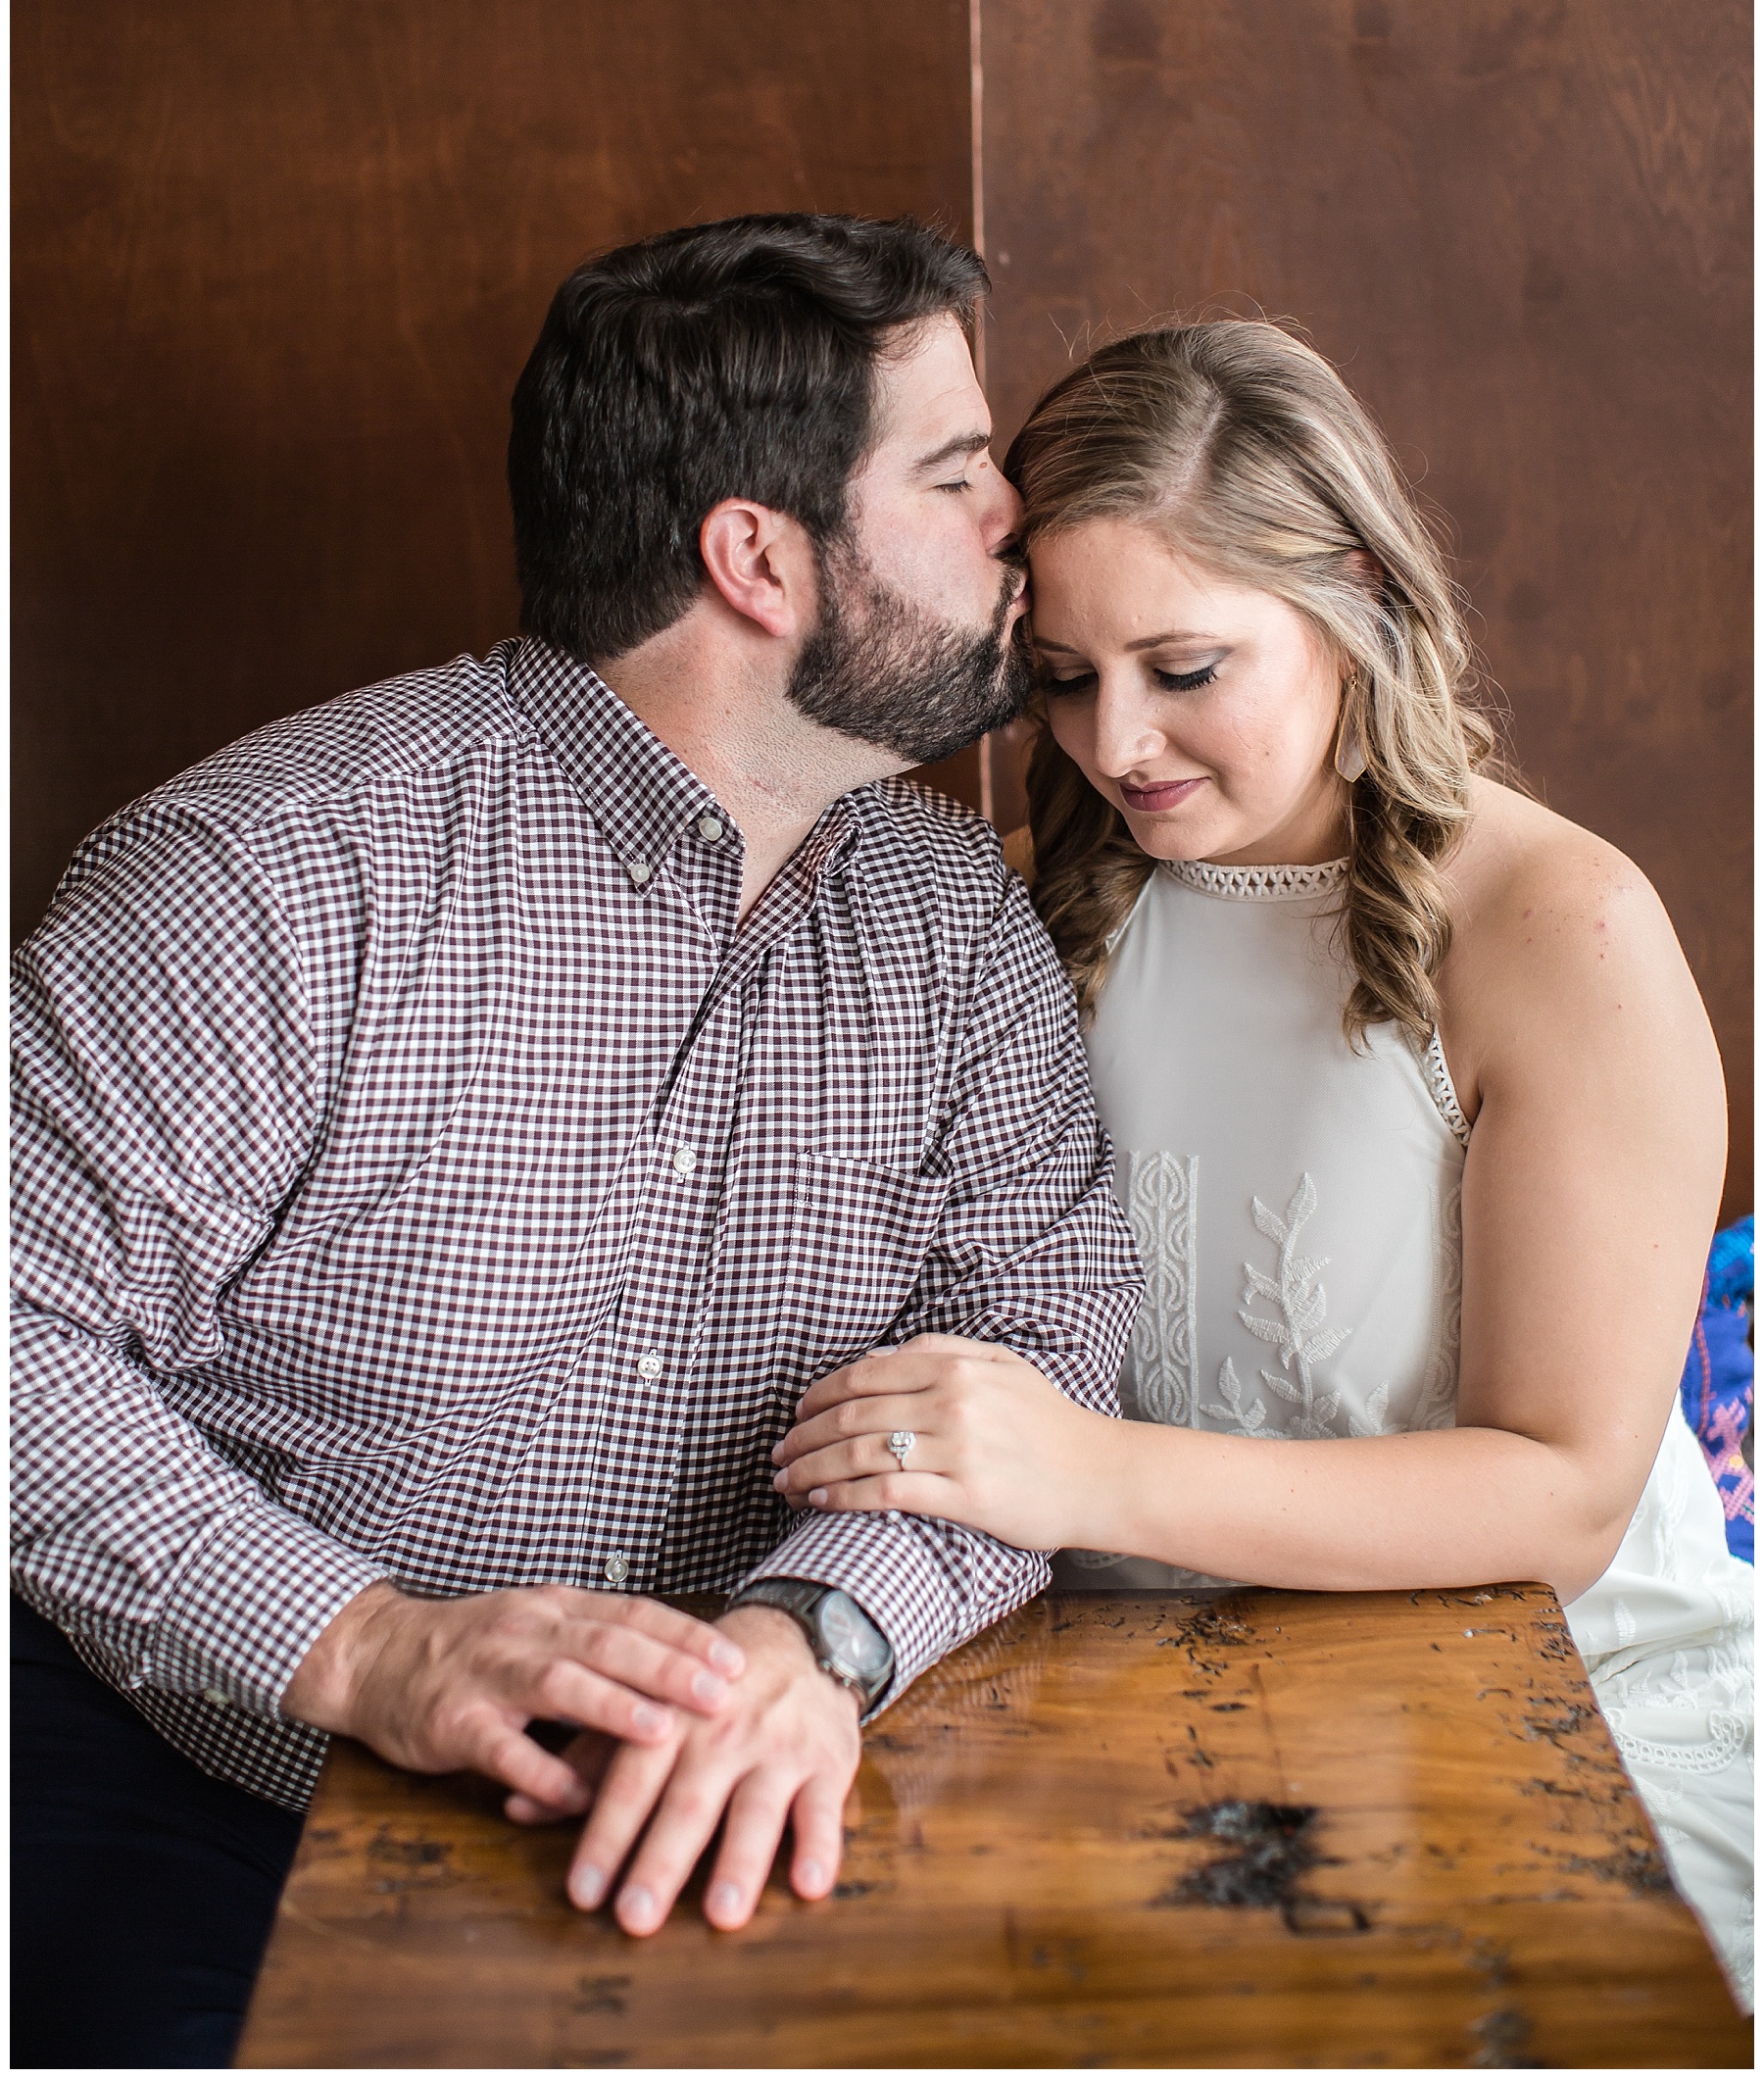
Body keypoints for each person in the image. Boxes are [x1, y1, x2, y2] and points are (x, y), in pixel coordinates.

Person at [12, 213, 1141, 2067]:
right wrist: (373, 1648)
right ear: (759, 557)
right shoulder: (278, 875)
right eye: (957, 475)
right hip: (219, 1789)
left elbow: (1042, 1334)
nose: (1023, 520)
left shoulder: (949, 913)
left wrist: (816, 1638)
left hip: (753, 1788)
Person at [772, 317, 1755, 2006]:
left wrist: (1080, 1474)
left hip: (1564, 1711)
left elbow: (1565, 1500)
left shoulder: (1555, 926)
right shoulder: (1020, 899)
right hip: (1116, 1716)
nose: (1118, 744)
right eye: (1066, 678)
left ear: (1353, 590)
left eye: (1185, 665)